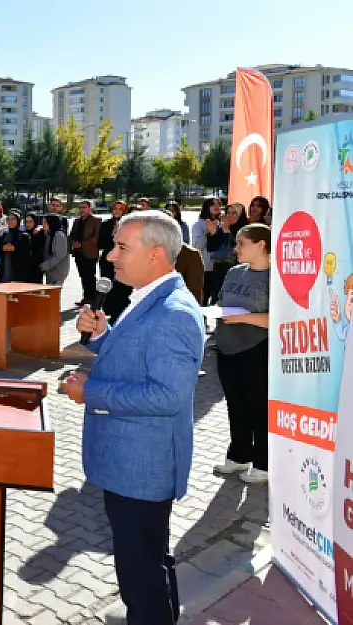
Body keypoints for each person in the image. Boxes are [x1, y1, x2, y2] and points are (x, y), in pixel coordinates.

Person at [64, 210, 204, 625]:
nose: (110, 255)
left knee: (141, 572)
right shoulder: (147, 297)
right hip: (129, 462)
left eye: (122, 247)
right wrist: (103, 335)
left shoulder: (174, 312)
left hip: (142, 465)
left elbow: (167, 396)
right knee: (143, 563)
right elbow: (136, 360)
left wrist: (89, 392)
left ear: (157, 254)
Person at [211, 224, 271, 484]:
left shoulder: (276, 277)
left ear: (261, 245)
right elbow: (221, 303)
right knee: (235, 404)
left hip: (256, 349)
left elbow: (281, 318)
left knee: (259, 407)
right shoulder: (234, 272)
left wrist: (243, 318)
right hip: (227, 347)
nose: (236, 249)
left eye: (241, 243)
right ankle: (239, 455)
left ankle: (264, 462)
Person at [70, 200, 102, 306]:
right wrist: (73, 243)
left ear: (90, 208)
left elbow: (96, 237)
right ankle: (86, 297)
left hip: (90, 252)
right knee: (83, 276)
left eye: (84, 207)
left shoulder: (96, 221)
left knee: (90, 276)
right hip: (78, 253)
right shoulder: (77, 221)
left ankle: (93, 298)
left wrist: (82, 244)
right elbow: (72, 234)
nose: (82, 210)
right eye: (80, 207)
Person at [0, 213, 34, 283]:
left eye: (13, 219)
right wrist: (3, 249)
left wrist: (15, 249)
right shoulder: (4, 236)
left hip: (19, 274)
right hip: (5, 273)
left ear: (18, 221)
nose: (10, 221)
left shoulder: (24, 236)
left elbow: (27, 255)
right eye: (8, 219)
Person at [40, 215, 71, 286]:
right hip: (51, 270)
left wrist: (46, 265)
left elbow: (59, 255)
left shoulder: (59, 235)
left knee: (54, 293)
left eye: (45, 223)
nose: (43, 225)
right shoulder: (49, 234)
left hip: (58, 271)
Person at [23, 213, 45, 284]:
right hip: (24, 269)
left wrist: (40, 227)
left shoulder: (40, 233)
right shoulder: (23, 233)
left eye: (30, 222)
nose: (28, 224)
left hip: (36, 268)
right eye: (26, 222)